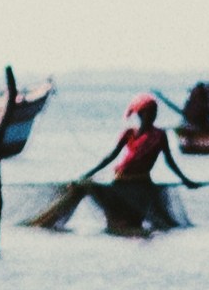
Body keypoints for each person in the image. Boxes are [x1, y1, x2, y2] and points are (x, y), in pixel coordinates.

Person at [31, 96, 188, 234]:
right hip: (119, 181)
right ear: (140, 114)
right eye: (148, 112)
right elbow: (111, 157)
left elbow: (169, 161)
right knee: (83, 188)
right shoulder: (129, 133)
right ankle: (44, 226)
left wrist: (185, 179)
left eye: (154, 112)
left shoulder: (159, 135)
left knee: (130, 222)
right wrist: (88, 174)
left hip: (140, 184)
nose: (152, 115)